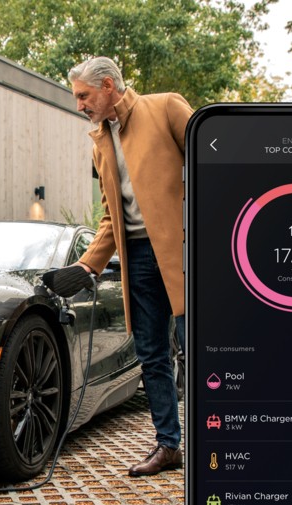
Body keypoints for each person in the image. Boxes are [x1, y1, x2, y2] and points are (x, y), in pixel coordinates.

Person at [68, 56, 191, 477]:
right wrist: (86, 266)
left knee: (202, 348)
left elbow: (216, 164)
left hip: (183, 250)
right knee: (152, 354)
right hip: (137, 256)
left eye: (83, 96)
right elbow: (110, 216)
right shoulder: (99, 141)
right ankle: (168, 446)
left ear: (107, 85)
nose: (80, 105)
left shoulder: (166, 108)